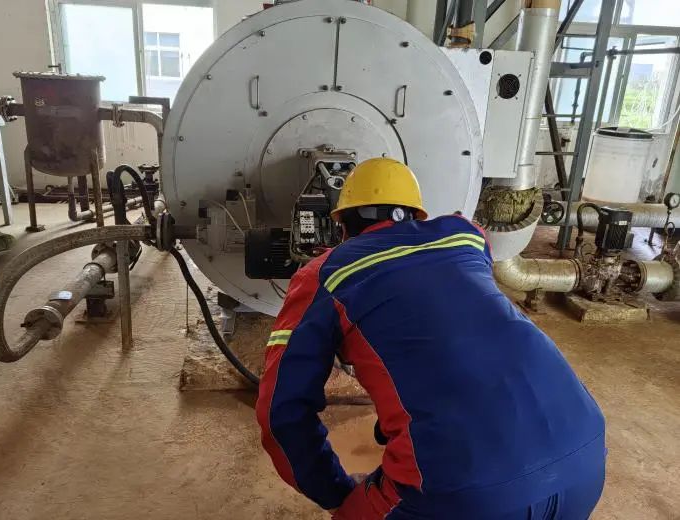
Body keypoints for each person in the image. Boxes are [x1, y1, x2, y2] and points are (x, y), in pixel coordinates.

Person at [256, 158, 606, 519]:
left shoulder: (324, 274)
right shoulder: (466, 237)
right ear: (416, 214)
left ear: (342, 223)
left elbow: (281, 413)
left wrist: (337, 494)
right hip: (586, 461)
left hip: (466, 496)